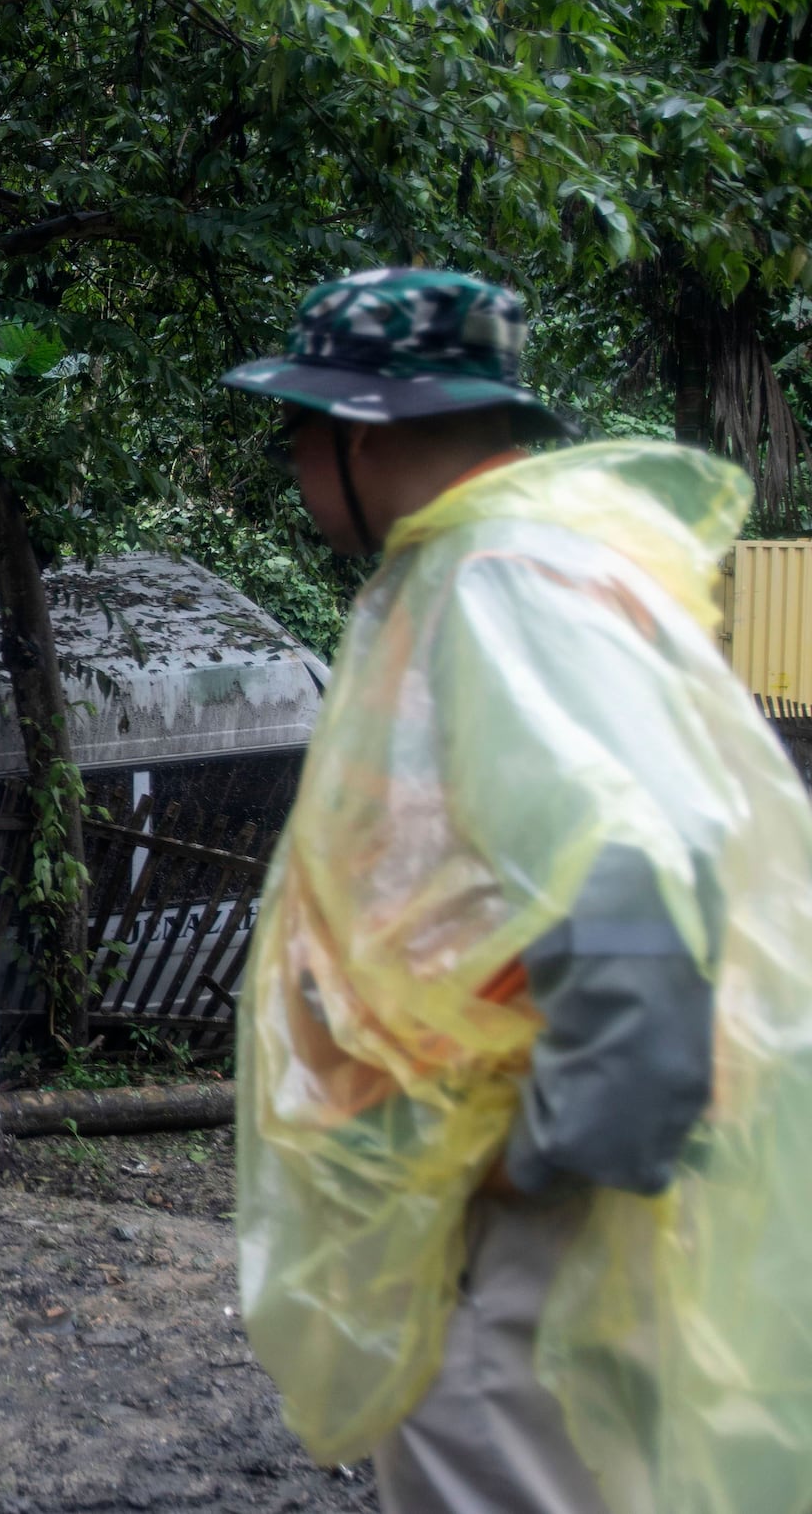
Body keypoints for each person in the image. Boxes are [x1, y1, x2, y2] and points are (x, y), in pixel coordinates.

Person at [221, 268, 812, 1514]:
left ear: (355, 432)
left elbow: (642, 858)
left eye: (293, 436)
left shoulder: (495, 583)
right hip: (528, 1186)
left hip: (525, 1210)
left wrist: (553, 1151)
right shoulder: (541, 564)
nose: (290, 469)